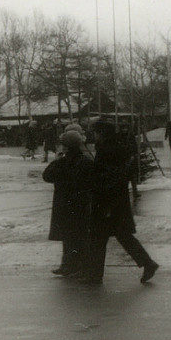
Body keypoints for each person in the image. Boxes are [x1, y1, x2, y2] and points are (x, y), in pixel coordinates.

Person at [85, 121, 159, 286]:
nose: (94, 135)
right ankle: (148, 263)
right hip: (116, 200)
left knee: (99, 237)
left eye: (96, 132)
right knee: (122, 235)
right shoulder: (114, 147)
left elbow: (107, 177)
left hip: (107, 201)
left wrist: (102, 199)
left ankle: (95, 275)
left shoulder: (106, 150)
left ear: (102, 133)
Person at [42, 130, 94, 277]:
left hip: (65, 203)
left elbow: (46, 176)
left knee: (69, 236)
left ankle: (70, 265)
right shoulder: (86, 161)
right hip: (80, 204)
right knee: (77, 235)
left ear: (67, 147)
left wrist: (57, 160)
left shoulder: (62, 162)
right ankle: (76, 265)